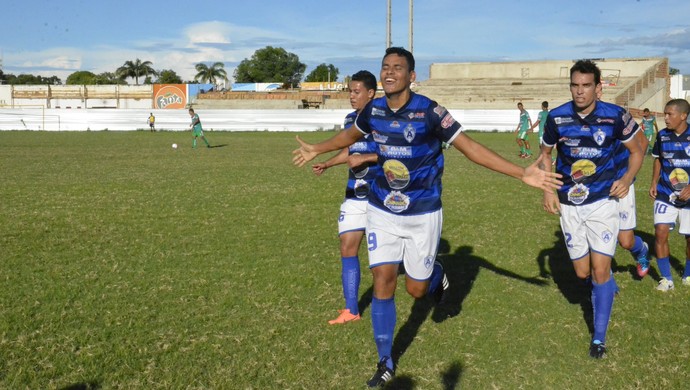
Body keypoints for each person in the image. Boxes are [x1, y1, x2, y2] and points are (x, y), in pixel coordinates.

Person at [293, 47, 562, 387]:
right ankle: (385, 361)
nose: (389, 73)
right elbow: (352, 135)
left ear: (411, 76)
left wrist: (519, 173)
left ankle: (437, 276)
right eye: (385, 67)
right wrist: (318, 148)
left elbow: (470, 148)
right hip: (381, 209)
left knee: (417, 289)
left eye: (397, 68)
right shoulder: (373, 109)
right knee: (383, 282)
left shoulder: (431, 112)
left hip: (423, 213)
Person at [540, 59, 644, 359]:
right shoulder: (557, 118)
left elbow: (637, 150)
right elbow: (545, 153)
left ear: (598, 87)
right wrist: (548, 190)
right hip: (569, 204)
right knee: (582, 271)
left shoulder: (615, 116)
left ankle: (598, 337)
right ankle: (604, 283)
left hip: (602, 201)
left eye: (586, 86)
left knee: (599, 271)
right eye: (575, 85)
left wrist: (625, 179)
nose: (580, 92)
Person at [310, 70, 379, 325]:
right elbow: (348, 151)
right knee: (347, 248)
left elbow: (396, 155)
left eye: (356, 91)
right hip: (353, 195)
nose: (351, 96)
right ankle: (351, 309)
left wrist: (367, 159)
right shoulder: (350, 119)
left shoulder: (383, 120)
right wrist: (327, 164)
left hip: (381, 196)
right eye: (350, 91)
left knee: (391, 259)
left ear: (371, 93)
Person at [649, 98, 690, 291]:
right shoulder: (662, 136)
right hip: (666, 194)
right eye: (664, 114)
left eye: (669, 114)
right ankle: (666, 278)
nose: (665, 118)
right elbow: (658, 160)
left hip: (689, 199)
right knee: (660, 232)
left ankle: (688, 274)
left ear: (683, 116)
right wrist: (654, 182)